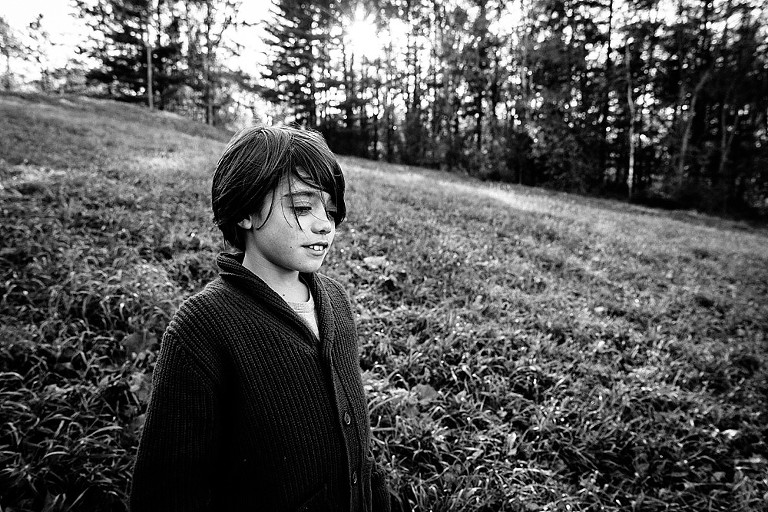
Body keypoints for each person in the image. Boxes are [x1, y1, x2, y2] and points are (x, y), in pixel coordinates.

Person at [130, 126, 392, 511]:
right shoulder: (204, 326)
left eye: (331, 211)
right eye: (303, 207)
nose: (325, 224)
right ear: (246, 211)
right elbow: (167, 490)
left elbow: (359, 449)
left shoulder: (335, 301)